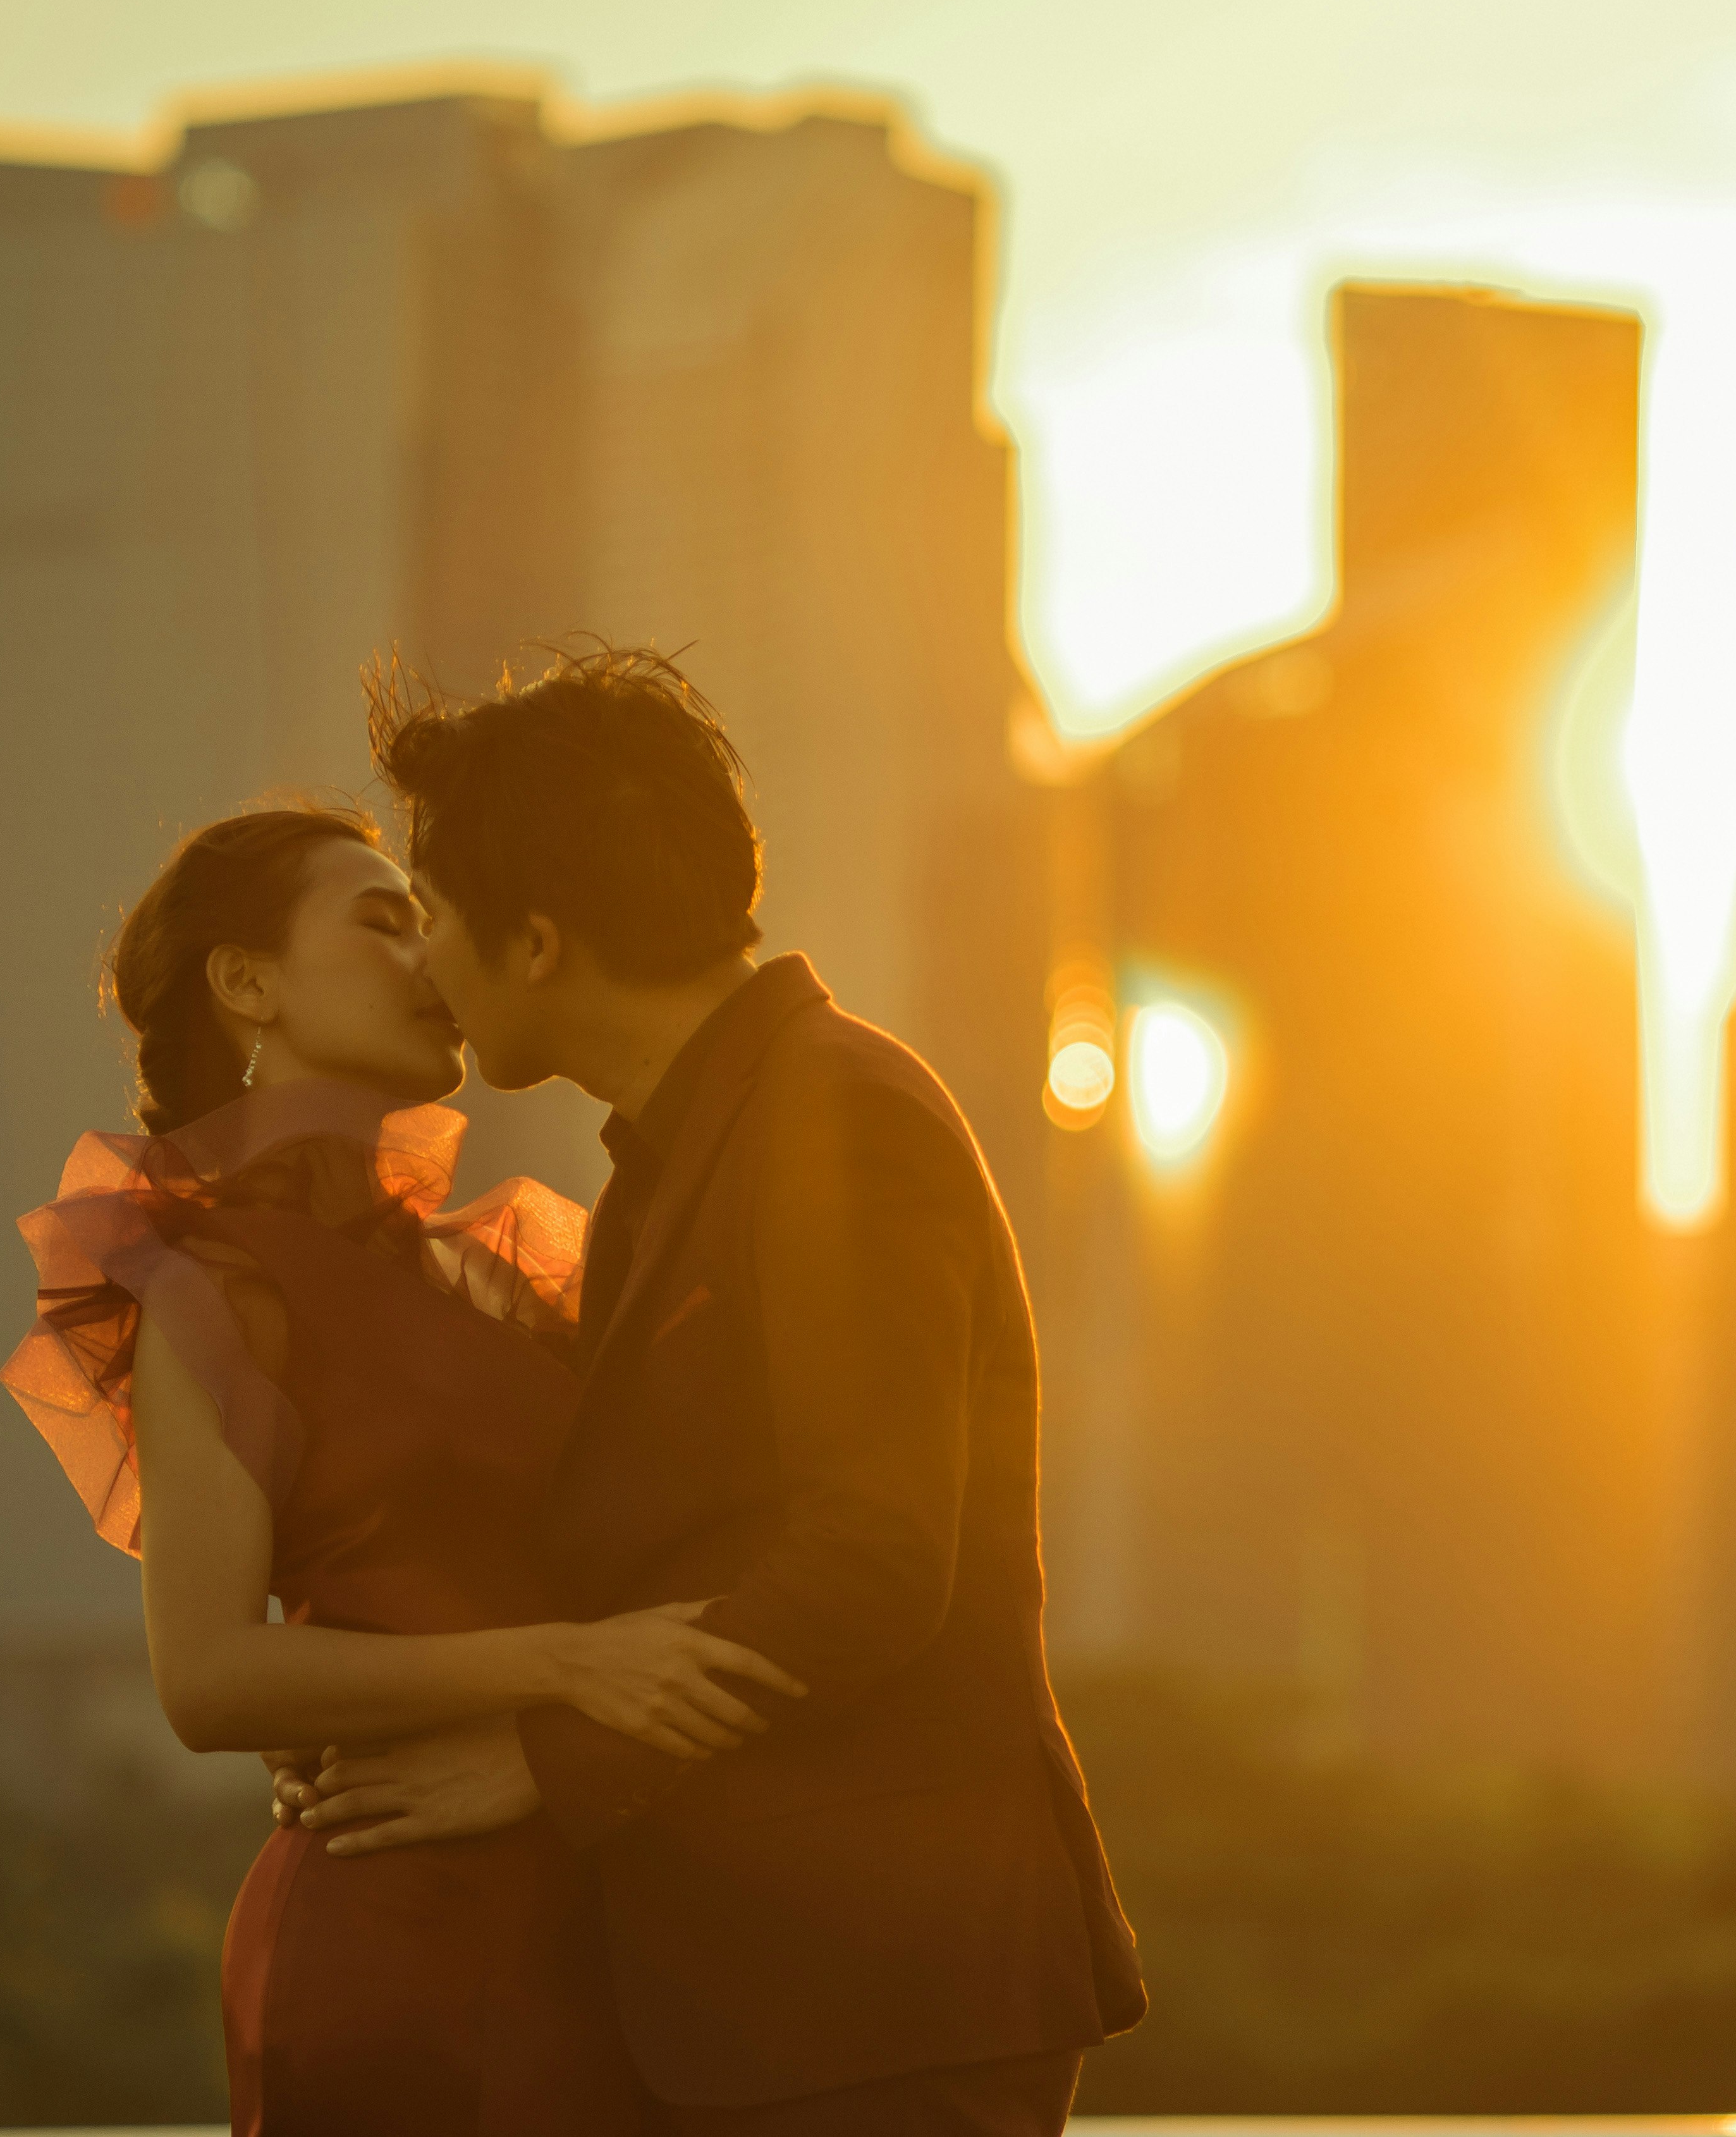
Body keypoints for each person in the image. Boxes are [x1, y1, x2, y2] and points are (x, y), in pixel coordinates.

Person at [282, 647, 1144, 2134]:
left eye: (433, 920)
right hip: (763, 1997)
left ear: (538, 942)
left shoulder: (836, 1121)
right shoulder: (678, 1157)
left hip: (879, 2006)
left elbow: (873, 1559)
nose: (422, 965)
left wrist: (544, 1758)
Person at [4, 803, 802, 2136]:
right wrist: (563, 1665)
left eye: (426, 918)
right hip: (396, 1927)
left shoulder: (489, 1269)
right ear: (250, 983)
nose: (429, 951)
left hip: (602, 1917)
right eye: (380, 921)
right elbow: (207, 1676)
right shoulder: (218, 1284)